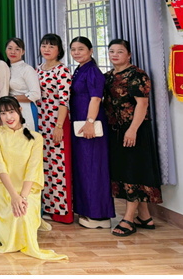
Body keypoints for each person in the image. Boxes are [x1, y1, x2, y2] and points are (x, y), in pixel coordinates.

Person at [0, 96, 67, 261]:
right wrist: (14, 196)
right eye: (3, 113)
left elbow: (32, 170)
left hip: (27, 190)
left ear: (20, 111)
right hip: (4, 189)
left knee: (22, 216)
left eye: (11, 112)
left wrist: (22, 197)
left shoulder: (36, 138)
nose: (8, 117)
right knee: (10, 230)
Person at [103, 39, 163, 237]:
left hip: (134, 130)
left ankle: (128, 220)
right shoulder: (108, 76)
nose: (114, 55)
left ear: (129, 55)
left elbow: (142, 104)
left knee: (133, 173)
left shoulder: (137, 75)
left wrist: (133, 129)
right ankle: (144, 216)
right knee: (125, 171)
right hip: (115, 130)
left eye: (120, 51)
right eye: (111, 51)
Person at [69, 37, 114, 229]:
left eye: (81, 49)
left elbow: (96, 99)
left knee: (94, 168)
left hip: (89, 124)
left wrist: (90, 122)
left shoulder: (93, 71)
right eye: (73, 49)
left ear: (91, 50)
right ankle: (87, 211)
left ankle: (99, 216)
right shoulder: (79, 69)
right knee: (83, 167)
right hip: (79, 124)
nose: (76, 53)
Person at [36, 33, 73, 224]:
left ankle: (61, 211)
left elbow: (64, 101)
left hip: (56, 122)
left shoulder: (62, 70)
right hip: (40, 121)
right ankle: (46, 207)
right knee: (44, 165)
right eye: (44, 45)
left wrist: (59, 126)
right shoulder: (38, 69)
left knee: (58, 166)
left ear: (59, 50)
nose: (47, 49)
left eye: (51, 46)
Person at [5, 38, 40, 132]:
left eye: (17, 49)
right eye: (10, 48)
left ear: (23, 52)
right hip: (10, 110)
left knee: (27, 138)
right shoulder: (6, 68)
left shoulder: (27, 69)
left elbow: (35, 94)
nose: (13, 52)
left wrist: (13, 98)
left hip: (26, 110)